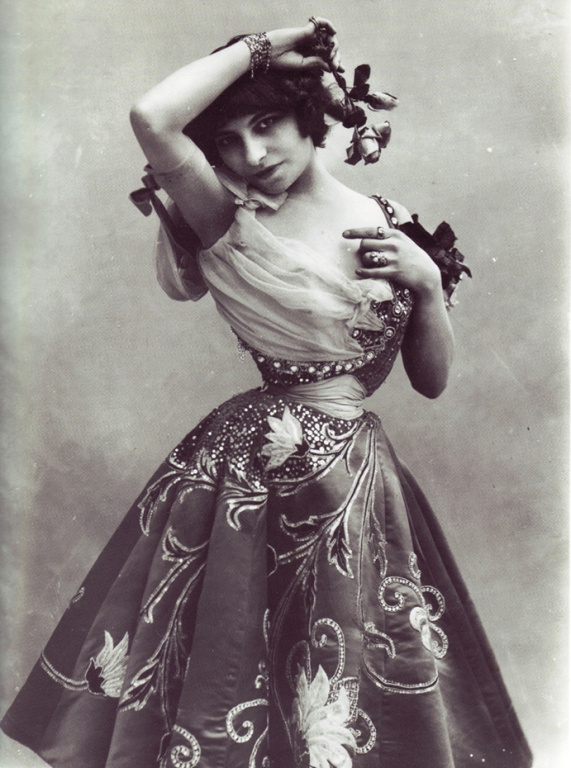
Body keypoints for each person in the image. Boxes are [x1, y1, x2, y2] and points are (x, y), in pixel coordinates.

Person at [1, 17, 532, 768]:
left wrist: (424, 285)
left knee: (344, 648)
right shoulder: (224, 214)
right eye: (227, 141)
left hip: (357, 472)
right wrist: (272, 44)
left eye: (267, 124)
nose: (251, 155)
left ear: (310, 115)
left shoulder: (391, 223)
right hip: (254, 464)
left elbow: (431, 382)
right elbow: (152, 116)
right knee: (237, 646)